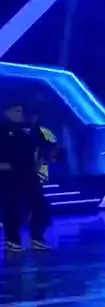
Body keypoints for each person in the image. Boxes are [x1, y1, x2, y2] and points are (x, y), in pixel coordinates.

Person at [0, 101, 49, 252]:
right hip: (10, 173)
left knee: (38, 204)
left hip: (29, 173)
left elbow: (37, 146)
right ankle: (12, 240)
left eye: (20, 111)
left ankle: (37, 238)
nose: (20, 114)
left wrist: (38, 161)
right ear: (6, 112)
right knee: (12, 207)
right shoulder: (2, 129)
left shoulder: (27, 129)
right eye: (16, 111)